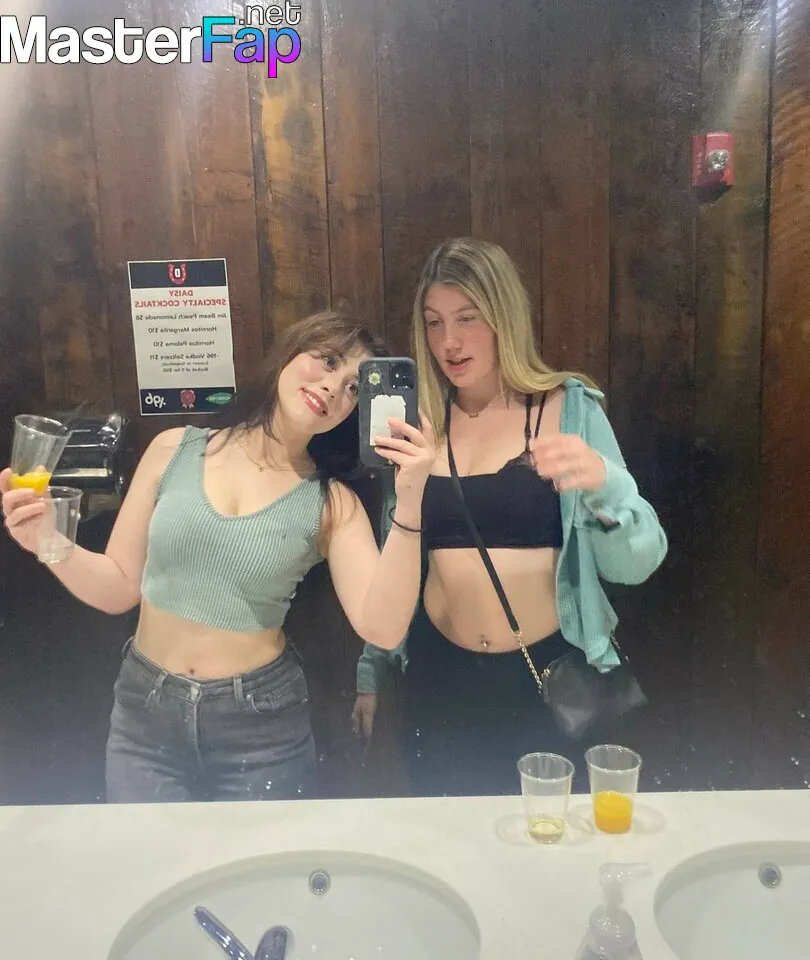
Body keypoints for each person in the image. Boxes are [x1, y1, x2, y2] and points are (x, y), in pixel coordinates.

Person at [1, 311, 434, 803]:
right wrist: (48, 544)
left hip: (261, 727)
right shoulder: (174, 449)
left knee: (259, 857)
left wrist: (411, 500)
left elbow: (383, 629)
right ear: (291, 353)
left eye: (355, 388)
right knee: (148, 853)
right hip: (146, 716)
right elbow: (119, 585)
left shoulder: (332, 503)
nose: (334, 387)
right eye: (328, 361)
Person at [352, 238, 667, 797]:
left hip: (544, 681)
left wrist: (606, 484)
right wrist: (371, 670)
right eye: (434, 322)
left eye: (467, 318)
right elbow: (394, 559)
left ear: (504, 316)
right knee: (444, 842)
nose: (449, 342)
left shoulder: (568, 409)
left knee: (548, 839)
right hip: (437, 676)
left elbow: (635, 566)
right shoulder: (419, 424)